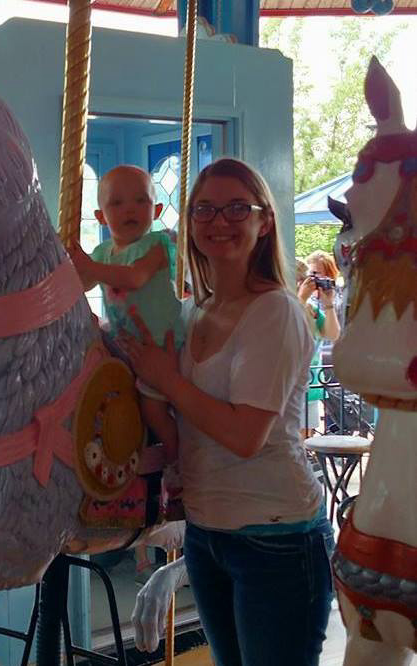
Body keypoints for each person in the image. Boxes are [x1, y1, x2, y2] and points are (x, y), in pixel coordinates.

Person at [121, 158, 333, 666]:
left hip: (275, 536)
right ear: (189, 225)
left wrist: (166, 376)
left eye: (238, 207)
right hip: (207, 532)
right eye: (205, 209)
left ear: (264, 222)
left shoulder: (276, 310)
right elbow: (176, 416)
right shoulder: (193, 312)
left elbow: (244, 434)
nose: (220, 221)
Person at [69, 165, 184, 464]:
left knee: (152, 410)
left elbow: (135, 278)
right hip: (125, 343)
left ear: (156, 209)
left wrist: (90, 268)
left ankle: (176, 463)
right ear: (100, 216)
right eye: (117, 203)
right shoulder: (103, 252)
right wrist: (65, 265)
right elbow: (79, 285)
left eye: (140, 201)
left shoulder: (158, 245)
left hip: (160, 344)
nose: (129, 209)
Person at [297, 253, 341, 435]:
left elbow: (332, 334)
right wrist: (299, 299)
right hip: (287, 388)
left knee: (306, 440)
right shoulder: (282, 307)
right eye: (299, 280)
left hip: (310, 385)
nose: (302, 284)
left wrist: (328, 304)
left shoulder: (311, 309)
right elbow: (287, 330)